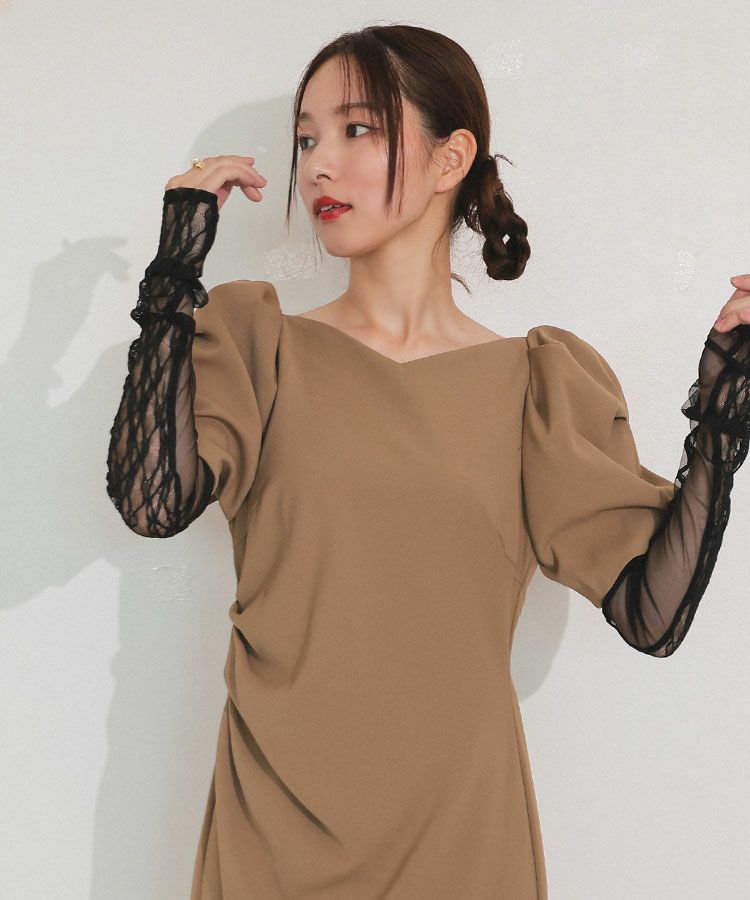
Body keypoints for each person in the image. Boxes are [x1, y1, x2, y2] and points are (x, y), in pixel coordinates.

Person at [105, 24, 750, 900]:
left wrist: (723, 410)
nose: (318, 165)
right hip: (271, 836)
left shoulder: (537, 382)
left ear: (453, 158)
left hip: (462, 840)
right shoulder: (257, 343)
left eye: (356, 130)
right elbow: (151, 502)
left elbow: (651, 612)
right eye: (305, 139)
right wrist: (174, 272)